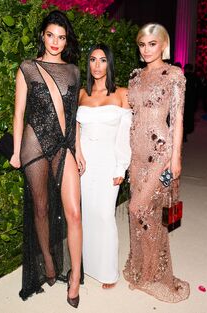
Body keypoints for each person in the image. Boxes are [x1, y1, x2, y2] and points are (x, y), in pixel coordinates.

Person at [10, 10, 82, 308]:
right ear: (43, 35)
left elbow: (75, 116)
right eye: (51, 35)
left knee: (74, 213)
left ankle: (75, 276)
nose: (55, 42)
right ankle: (49, 261)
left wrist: (78, 150)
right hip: (34, 144)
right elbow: (18, 114)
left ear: (67, 41)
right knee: (40, 208)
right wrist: (16, 151)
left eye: (61, 37)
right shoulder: (27, 68)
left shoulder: (75, 72)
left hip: (64, 146)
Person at [123, 23, 190, 302]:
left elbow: (177, 119)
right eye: (142, 44)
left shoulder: (173, 75)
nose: (147, 49)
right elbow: (130, 118)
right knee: (141, 213)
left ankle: (152, 272)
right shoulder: (135, 78)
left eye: (152, 43)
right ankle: (141, 267)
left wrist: (175, 159)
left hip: (160, 153)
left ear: (163, 44)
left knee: (140, 208)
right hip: (136, 154)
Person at [76, 44, 132, 289]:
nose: (97, 65)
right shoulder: (81, 94)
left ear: (109, 64)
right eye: (92, 60)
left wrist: (122, 167)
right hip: (84, 162)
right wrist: (76, 153)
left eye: (102, 60)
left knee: (104, 215)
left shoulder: (122, 93)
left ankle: (108, 272)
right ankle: (88, 265)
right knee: (86, 214)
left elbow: (125, 134)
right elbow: (75, 128)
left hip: (109, 160)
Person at [183, 63, 199, 142]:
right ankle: (187, 132)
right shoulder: (195, 77)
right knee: (189, 117)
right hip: (191, 100)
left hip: (184, 101)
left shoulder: (183, 77)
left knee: (183, 118)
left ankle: (184, 135)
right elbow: (198, 89)